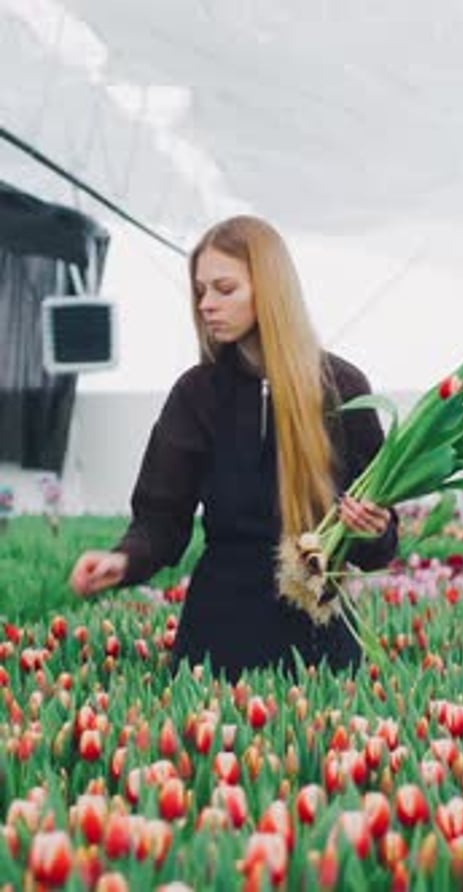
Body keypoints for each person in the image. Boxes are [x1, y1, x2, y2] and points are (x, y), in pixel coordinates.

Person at [70, 215, 398, 682]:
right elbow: (161, 518)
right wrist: (123, 560)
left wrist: (373, 529)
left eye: (224, 289)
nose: (206, 304)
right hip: (218, 632)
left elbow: (378, 546)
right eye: (201, 290)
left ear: (270, 289)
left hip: (319, 635)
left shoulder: (342, 388)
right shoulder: (196, 393)